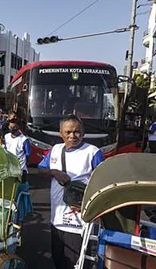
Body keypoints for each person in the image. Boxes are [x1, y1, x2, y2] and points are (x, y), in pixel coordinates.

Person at [37, 114, 104, 269]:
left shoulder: (93, 152)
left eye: (77, 132)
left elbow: (102, 183)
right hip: (57, 220)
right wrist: (55, 172)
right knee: (59, 260)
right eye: (68, 132)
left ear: (83, 133)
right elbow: (41, 169)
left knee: (77, 264)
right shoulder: (55, 150)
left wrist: (87, 205)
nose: (72, 136)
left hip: (78, 223)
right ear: (61, 134)